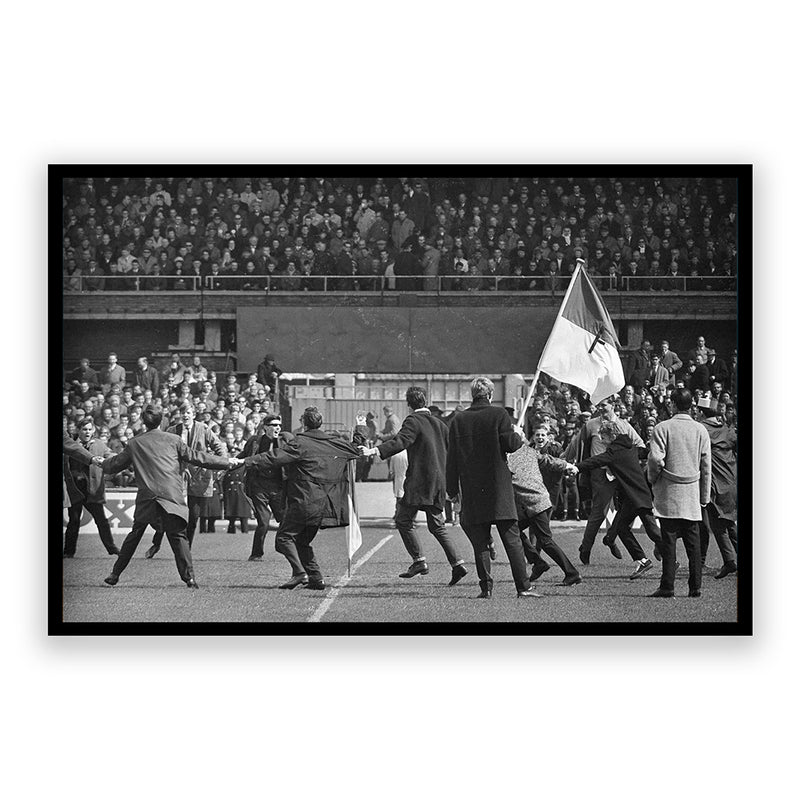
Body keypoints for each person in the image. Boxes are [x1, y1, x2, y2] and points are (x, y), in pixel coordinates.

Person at [100, 405, 233, 588]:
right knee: (178, 536)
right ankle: (190, 578)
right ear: (162, 421)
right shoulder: (174, 440)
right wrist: (226, 462)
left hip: (147, 497)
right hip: (171, 496)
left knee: (135, 535)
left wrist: (99, 461)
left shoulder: (134, 443)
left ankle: (115, 574)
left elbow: (113, 466)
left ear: (143, 422)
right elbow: (197, 457)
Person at [239, 406, 361, 590]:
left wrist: (245, 461)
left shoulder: (300, 443)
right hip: (328, 505)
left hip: (305, 501)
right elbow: (356, 448)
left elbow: (273, 457)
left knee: (284, 539)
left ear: (303, 423)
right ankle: (315, 578)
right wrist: (360, 429)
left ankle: (299, 573)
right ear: (320, 423)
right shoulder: (334, 442)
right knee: (302, 541)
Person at [360, 386, 468, 585]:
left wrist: (374, 451)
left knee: (403, 519)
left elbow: (401, 441)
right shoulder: (440, 424)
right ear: (425, 401)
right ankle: (458, 563)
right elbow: (451, 453)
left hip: (419, 482)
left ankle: (419, 561)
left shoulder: (413, 421)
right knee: (437, 526)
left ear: (408, 404)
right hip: (438, 482)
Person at [445, 377, 541, 598]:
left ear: (473, 394)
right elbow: (511, 445)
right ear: (489, 394)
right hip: (498, 488)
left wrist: (451, 490)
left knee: (480, 541)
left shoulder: (458, 420)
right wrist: (516, 433)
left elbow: (452, 460)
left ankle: (486, 587)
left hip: (471, 488)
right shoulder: (499, 415)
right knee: (512, 539)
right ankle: (523, 587)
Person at [576, 421, 664, 580]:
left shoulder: (613, 453)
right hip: (637, 496)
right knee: (624, 528)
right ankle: (645, 560)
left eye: (603, 437)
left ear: (611, 436)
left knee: (651, 531)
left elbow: (595, 461)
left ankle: (667, 559)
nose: (601, 440)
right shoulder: (631, 448)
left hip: (635, 497)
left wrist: (577, 467)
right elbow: (646, 452)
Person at [647, 389, 712, 598]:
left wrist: (653, 479)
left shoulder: (662, 427)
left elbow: (656, 460)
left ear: (673, 404)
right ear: (691, 404)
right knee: (694, 544)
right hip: (692, 492)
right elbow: (706, 466)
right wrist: (704, 497)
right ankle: (696, 587)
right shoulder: (700, 430)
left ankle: (667, 586)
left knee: (669, 541)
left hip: (669, 491)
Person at [566, 397, 644, 564]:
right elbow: (575, 443)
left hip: (622, 474)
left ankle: (611, 536)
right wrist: (565, 461)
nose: (600, 408)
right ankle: (585, 548)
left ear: (613, 406)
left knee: (630, 507)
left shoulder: (624, 425)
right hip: (600, 473)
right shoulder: (591, 424)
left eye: (604, 405)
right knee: (599, 512)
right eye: (598, 405)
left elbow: (640, 444)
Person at [145, 402, 226, 557]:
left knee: (193, 516)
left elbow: (219, 447)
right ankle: (156, 544)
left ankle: (185, 549)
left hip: (199, 477)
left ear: (193, 414)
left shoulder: (203, 429)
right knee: (168, 512)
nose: (185, 415)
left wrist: (219, 465)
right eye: (183, 412)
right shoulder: (172, 430)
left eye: (188, 412)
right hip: (176, 477)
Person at [507, 431, 582, 586]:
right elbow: (548, 460)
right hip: (539, 501)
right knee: (512, 530)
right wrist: (567, 465)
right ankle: (537, 561)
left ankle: (571, 573)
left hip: (534, 504)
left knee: (545, 541)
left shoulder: (507, 460)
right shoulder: (529, 452)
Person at [63, 419, 120, 558]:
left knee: (101, 520)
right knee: (74, 520)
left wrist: (115, 459)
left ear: (94, 430)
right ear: (78, 431)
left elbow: (109, 454)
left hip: (92, 490)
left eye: (89, 429)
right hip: (75, 490)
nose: (87, 432)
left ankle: (112, 548)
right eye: (84, 429)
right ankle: (68, 552)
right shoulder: (71, 445)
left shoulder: (99, 444)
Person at [241, 414, 292, 561]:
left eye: (279, 425)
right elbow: (243, 456)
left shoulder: (285, 441)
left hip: (278, 487)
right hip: (259, 487)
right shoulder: (255, 442)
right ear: (265, 428)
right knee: (263, 521)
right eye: (274, 425)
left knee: (284, 519)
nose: (277, 428)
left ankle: (286, 548)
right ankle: (256, 554)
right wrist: (227, 467)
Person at [697, 396, 738, 579]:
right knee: (729, 523)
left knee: (718, 524)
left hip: (715, 484)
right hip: (732, 483)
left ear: (700, 413)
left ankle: (729, 562)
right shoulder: (728, 431)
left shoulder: (702, 430)